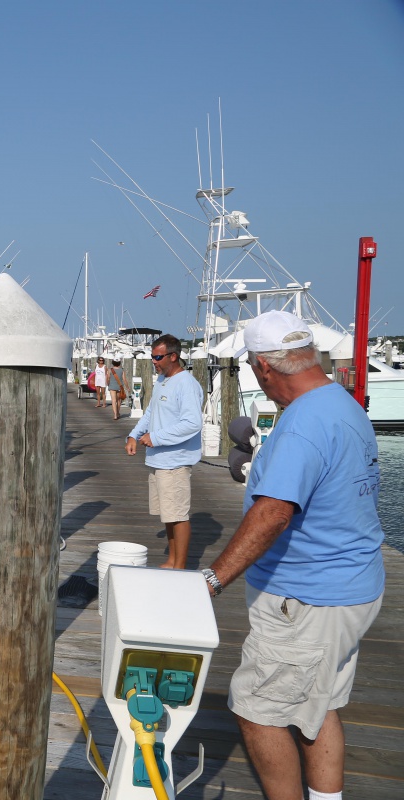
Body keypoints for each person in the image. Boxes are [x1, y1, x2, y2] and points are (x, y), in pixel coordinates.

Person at [200, 311, 384, 800]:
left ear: (264, 367)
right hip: (351, 586)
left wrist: (212, 582)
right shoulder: (343, 405)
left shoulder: (303, 423)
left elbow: (274, 513)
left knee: (256, 709)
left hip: (308, 602)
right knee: (317, 704)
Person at [124, 334, 203, 569]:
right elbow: (150, 413)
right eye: (152, 357)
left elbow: (192, 423)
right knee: (167, 515)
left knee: (178, 515)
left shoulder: (186, 384)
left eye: (158, 357)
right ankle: (171, 560)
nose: (154, 361)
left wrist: (156, 438)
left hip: (175, 462)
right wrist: (134, 435)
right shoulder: (161, 380)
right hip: (158, 461)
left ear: (173, 356)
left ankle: (179, 566)